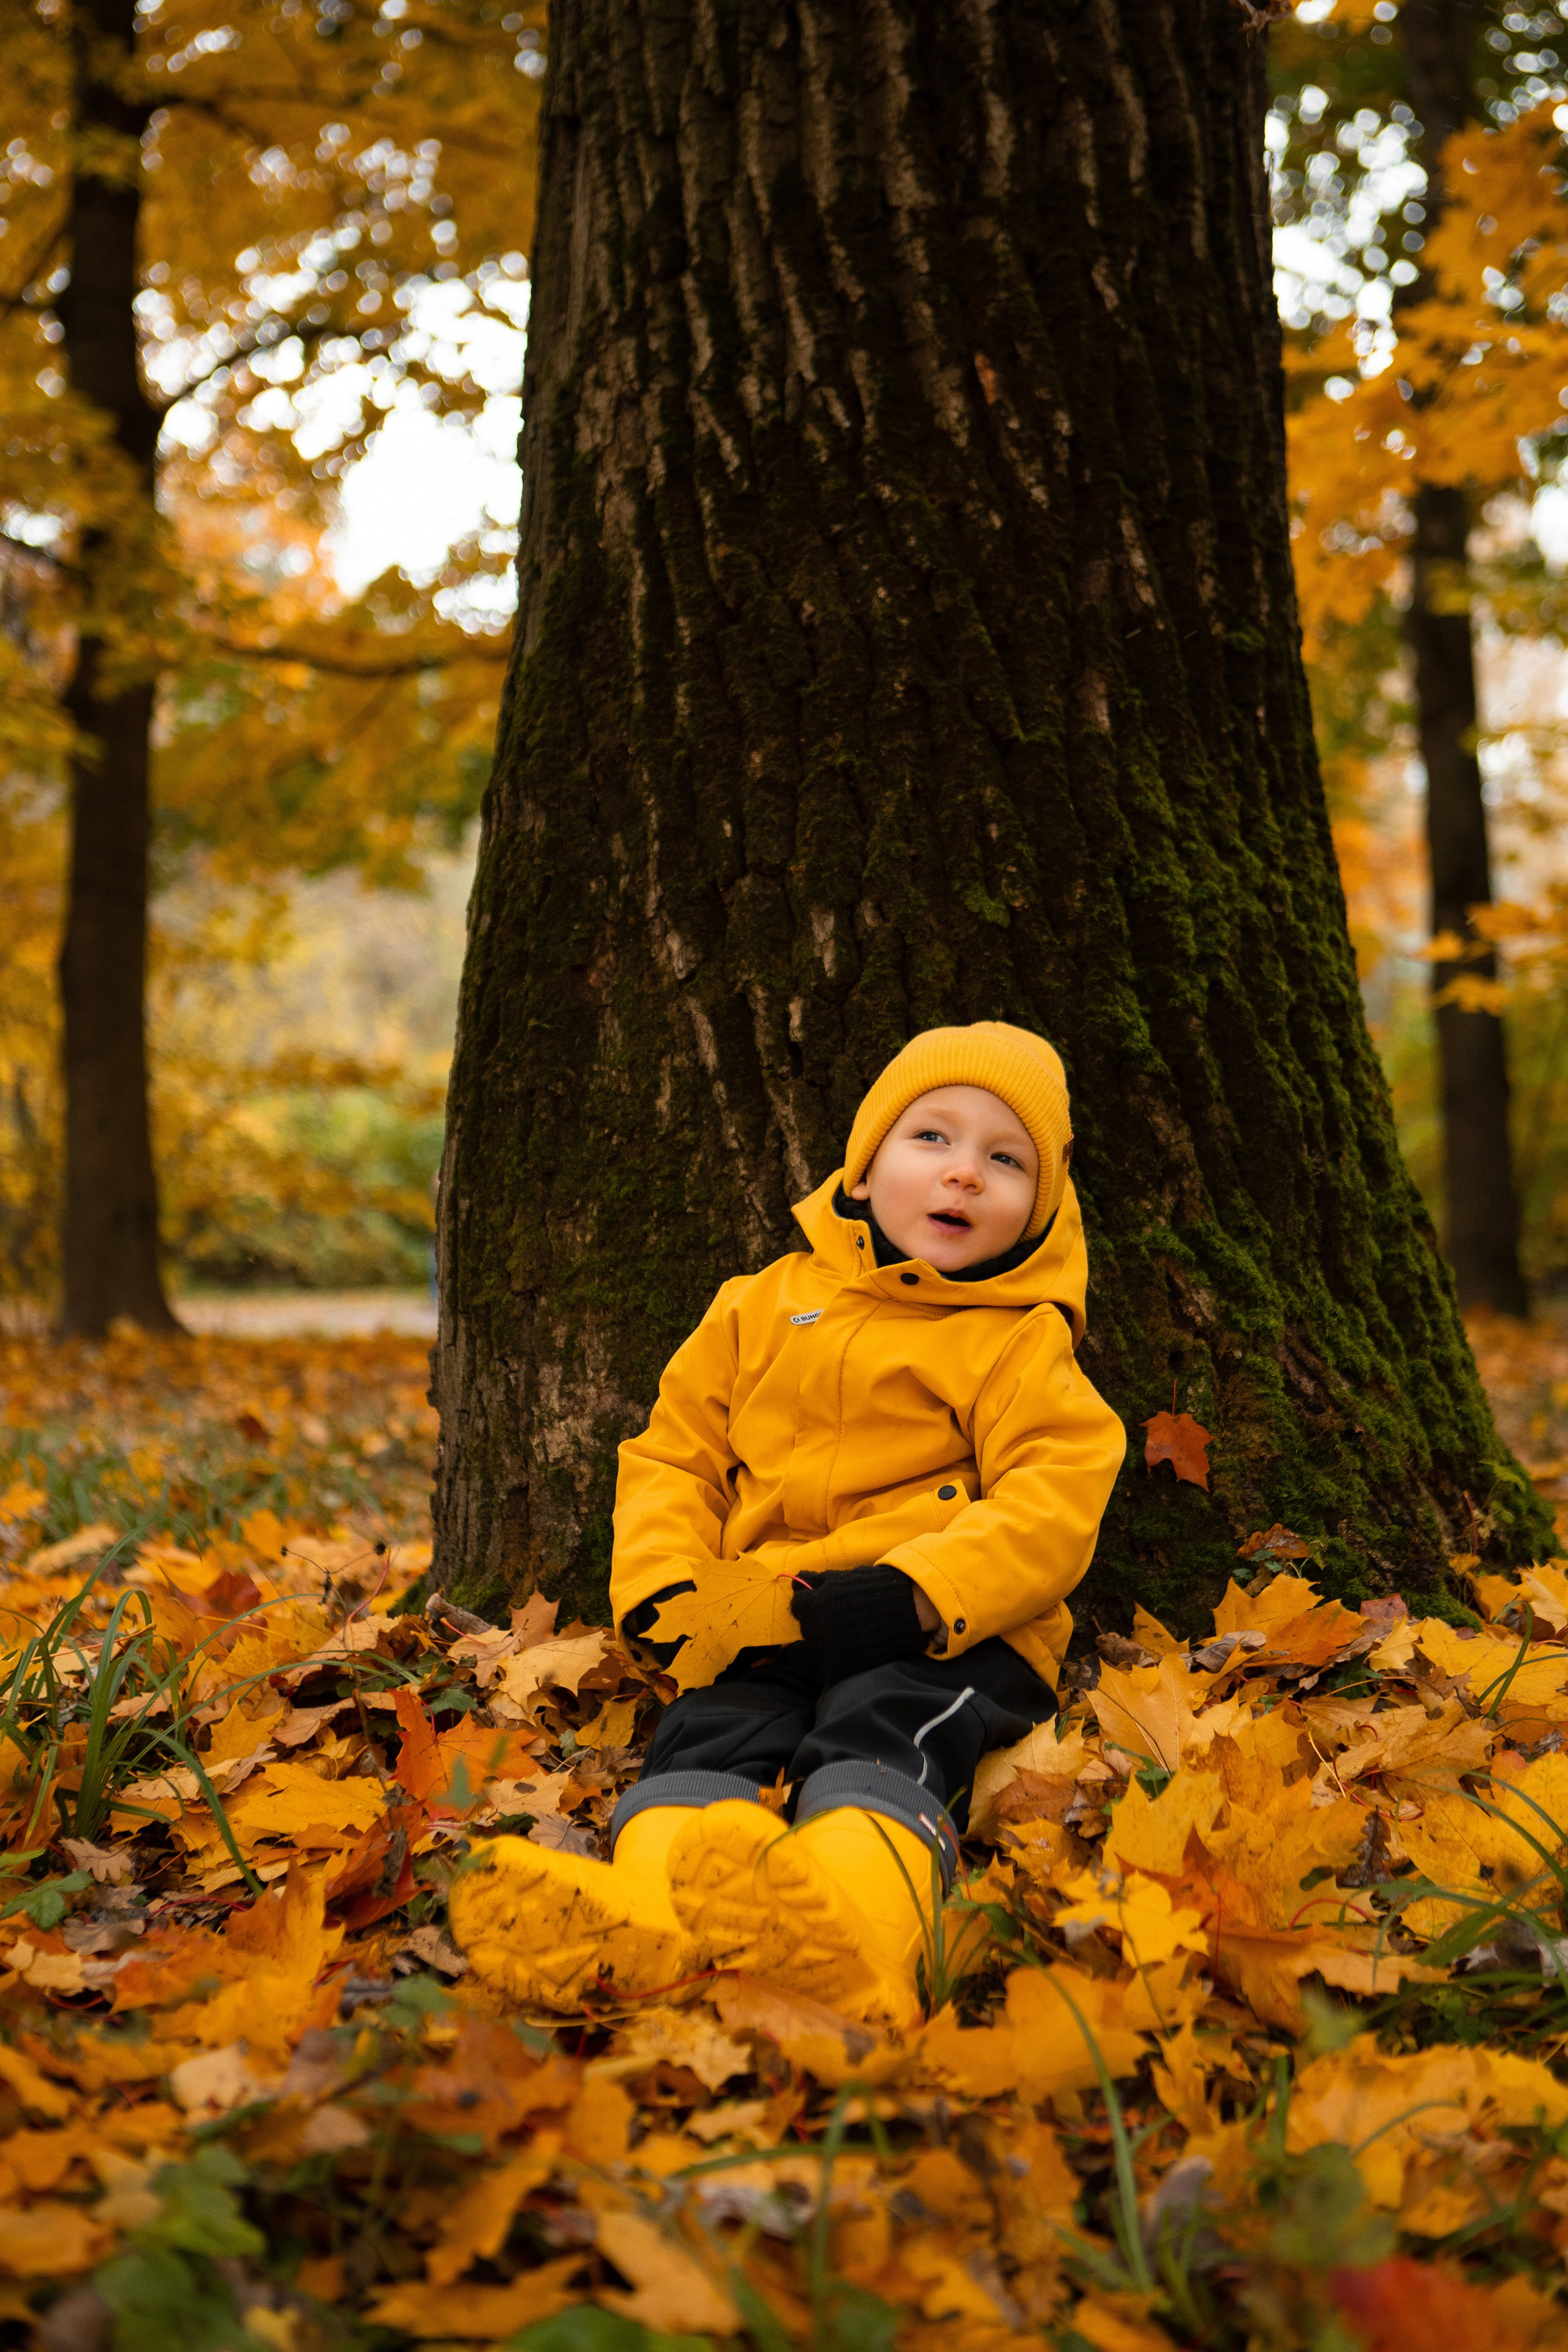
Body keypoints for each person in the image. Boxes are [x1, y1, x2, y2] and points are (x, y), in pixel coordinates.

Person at [450, 1022, 1126, 2024]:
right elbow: (673, 1454)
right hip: (766, 1614)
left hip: (943, 1635)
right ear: (862, 1170)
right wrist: (665, 1585)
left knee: (887, 1739)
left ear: (1044, 1205)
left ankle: (854, 1933)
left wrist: (920, 1597)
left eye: (1006, 1158)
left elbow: (1054, 1496)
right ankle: (649, 1920)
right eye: (931, 1138)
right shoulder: (762, 1304)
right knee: (704, 1740)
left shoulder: (1017, 1340)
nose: (966, 1176)